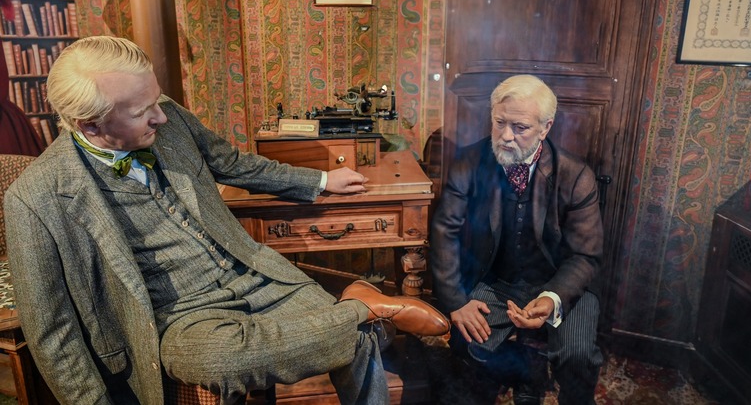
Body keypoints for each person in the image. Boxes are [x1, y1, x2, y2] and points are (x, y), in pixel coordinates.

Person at [4, 35, 449, 404]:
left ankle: (356, 316)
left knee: (357, 340)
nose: (161, 115)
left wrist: (320, 180)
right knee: (222, 363)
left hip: (254, 274)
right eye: (142, 112)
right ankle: (362, 307)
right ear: (90, 124)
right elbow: (52, 330)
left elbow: (233, 163)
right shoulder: (36, 197)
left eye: (156, 99)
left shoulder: (169, 116)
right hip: (181, 318)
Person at [430, 74, 603, 404]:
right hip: (497, 281)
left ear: (545, 127)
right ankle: (525, 372)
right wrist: (456, 301)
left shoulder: (576, 174)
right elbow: (445, 230)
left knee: (578, 357)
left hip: (561, 282)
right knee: (466, 342)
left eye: (520, 127)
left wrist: (553, 298)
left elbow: (586, 255)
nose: (506, 136)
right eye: (499, 122)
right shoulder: (468, 161)